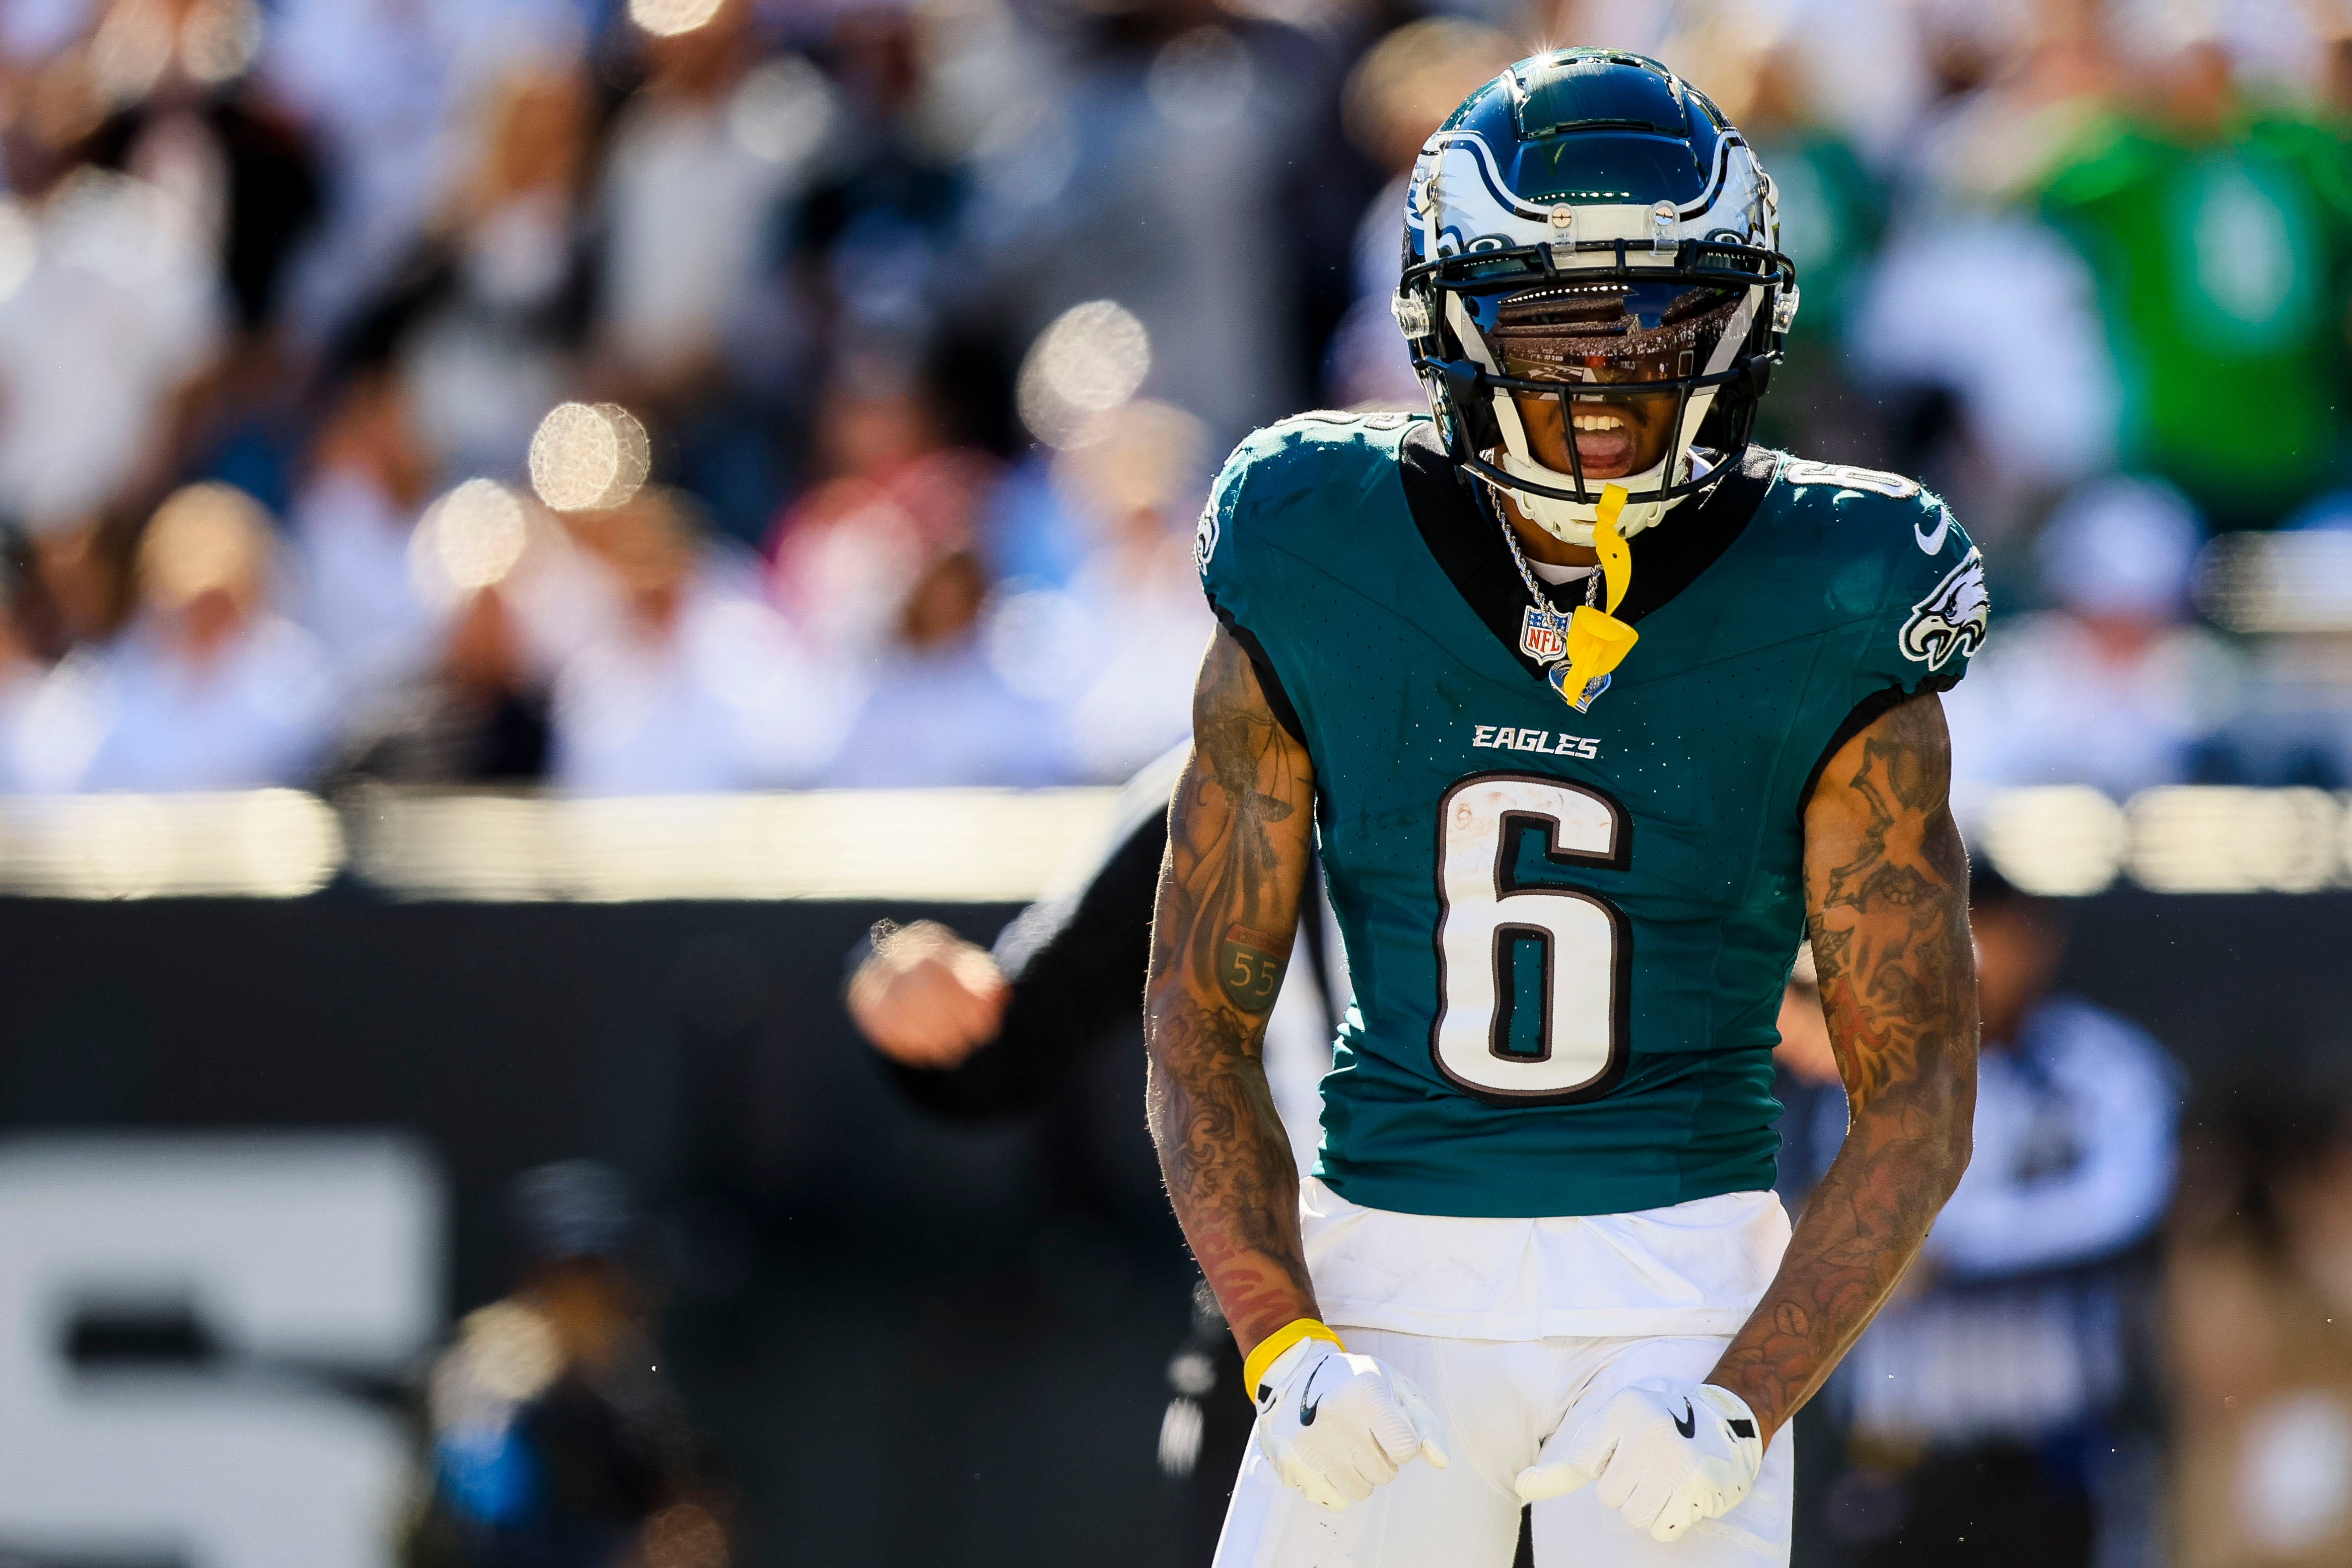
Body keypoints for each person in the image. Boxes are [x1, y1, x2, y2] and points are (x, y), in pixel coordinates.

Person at [1151, 50, 1985, 1567]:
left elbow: (1918, 1097)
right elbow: (1197, 1015)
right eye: (1557, 319)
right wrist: (1282, 1341)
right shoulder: (1314, 538)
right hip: (1384, 1269)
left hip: (1686, 1285)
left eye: (1668, 316)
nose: (1615, 371)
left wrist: (1744, 1401)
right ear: (1447, 320)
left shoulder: (1841, 583)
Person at [1809, 863, 2177, 1566]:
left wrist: (1951, 1243)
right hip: (1902, 1455)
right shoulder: (1878, 1071)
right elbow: (1849, 1215)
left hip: (2047, 1451)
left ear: (2037, 941)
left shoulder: (2104, 1064)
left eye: (1991, 937)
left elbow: (2126, 1201)